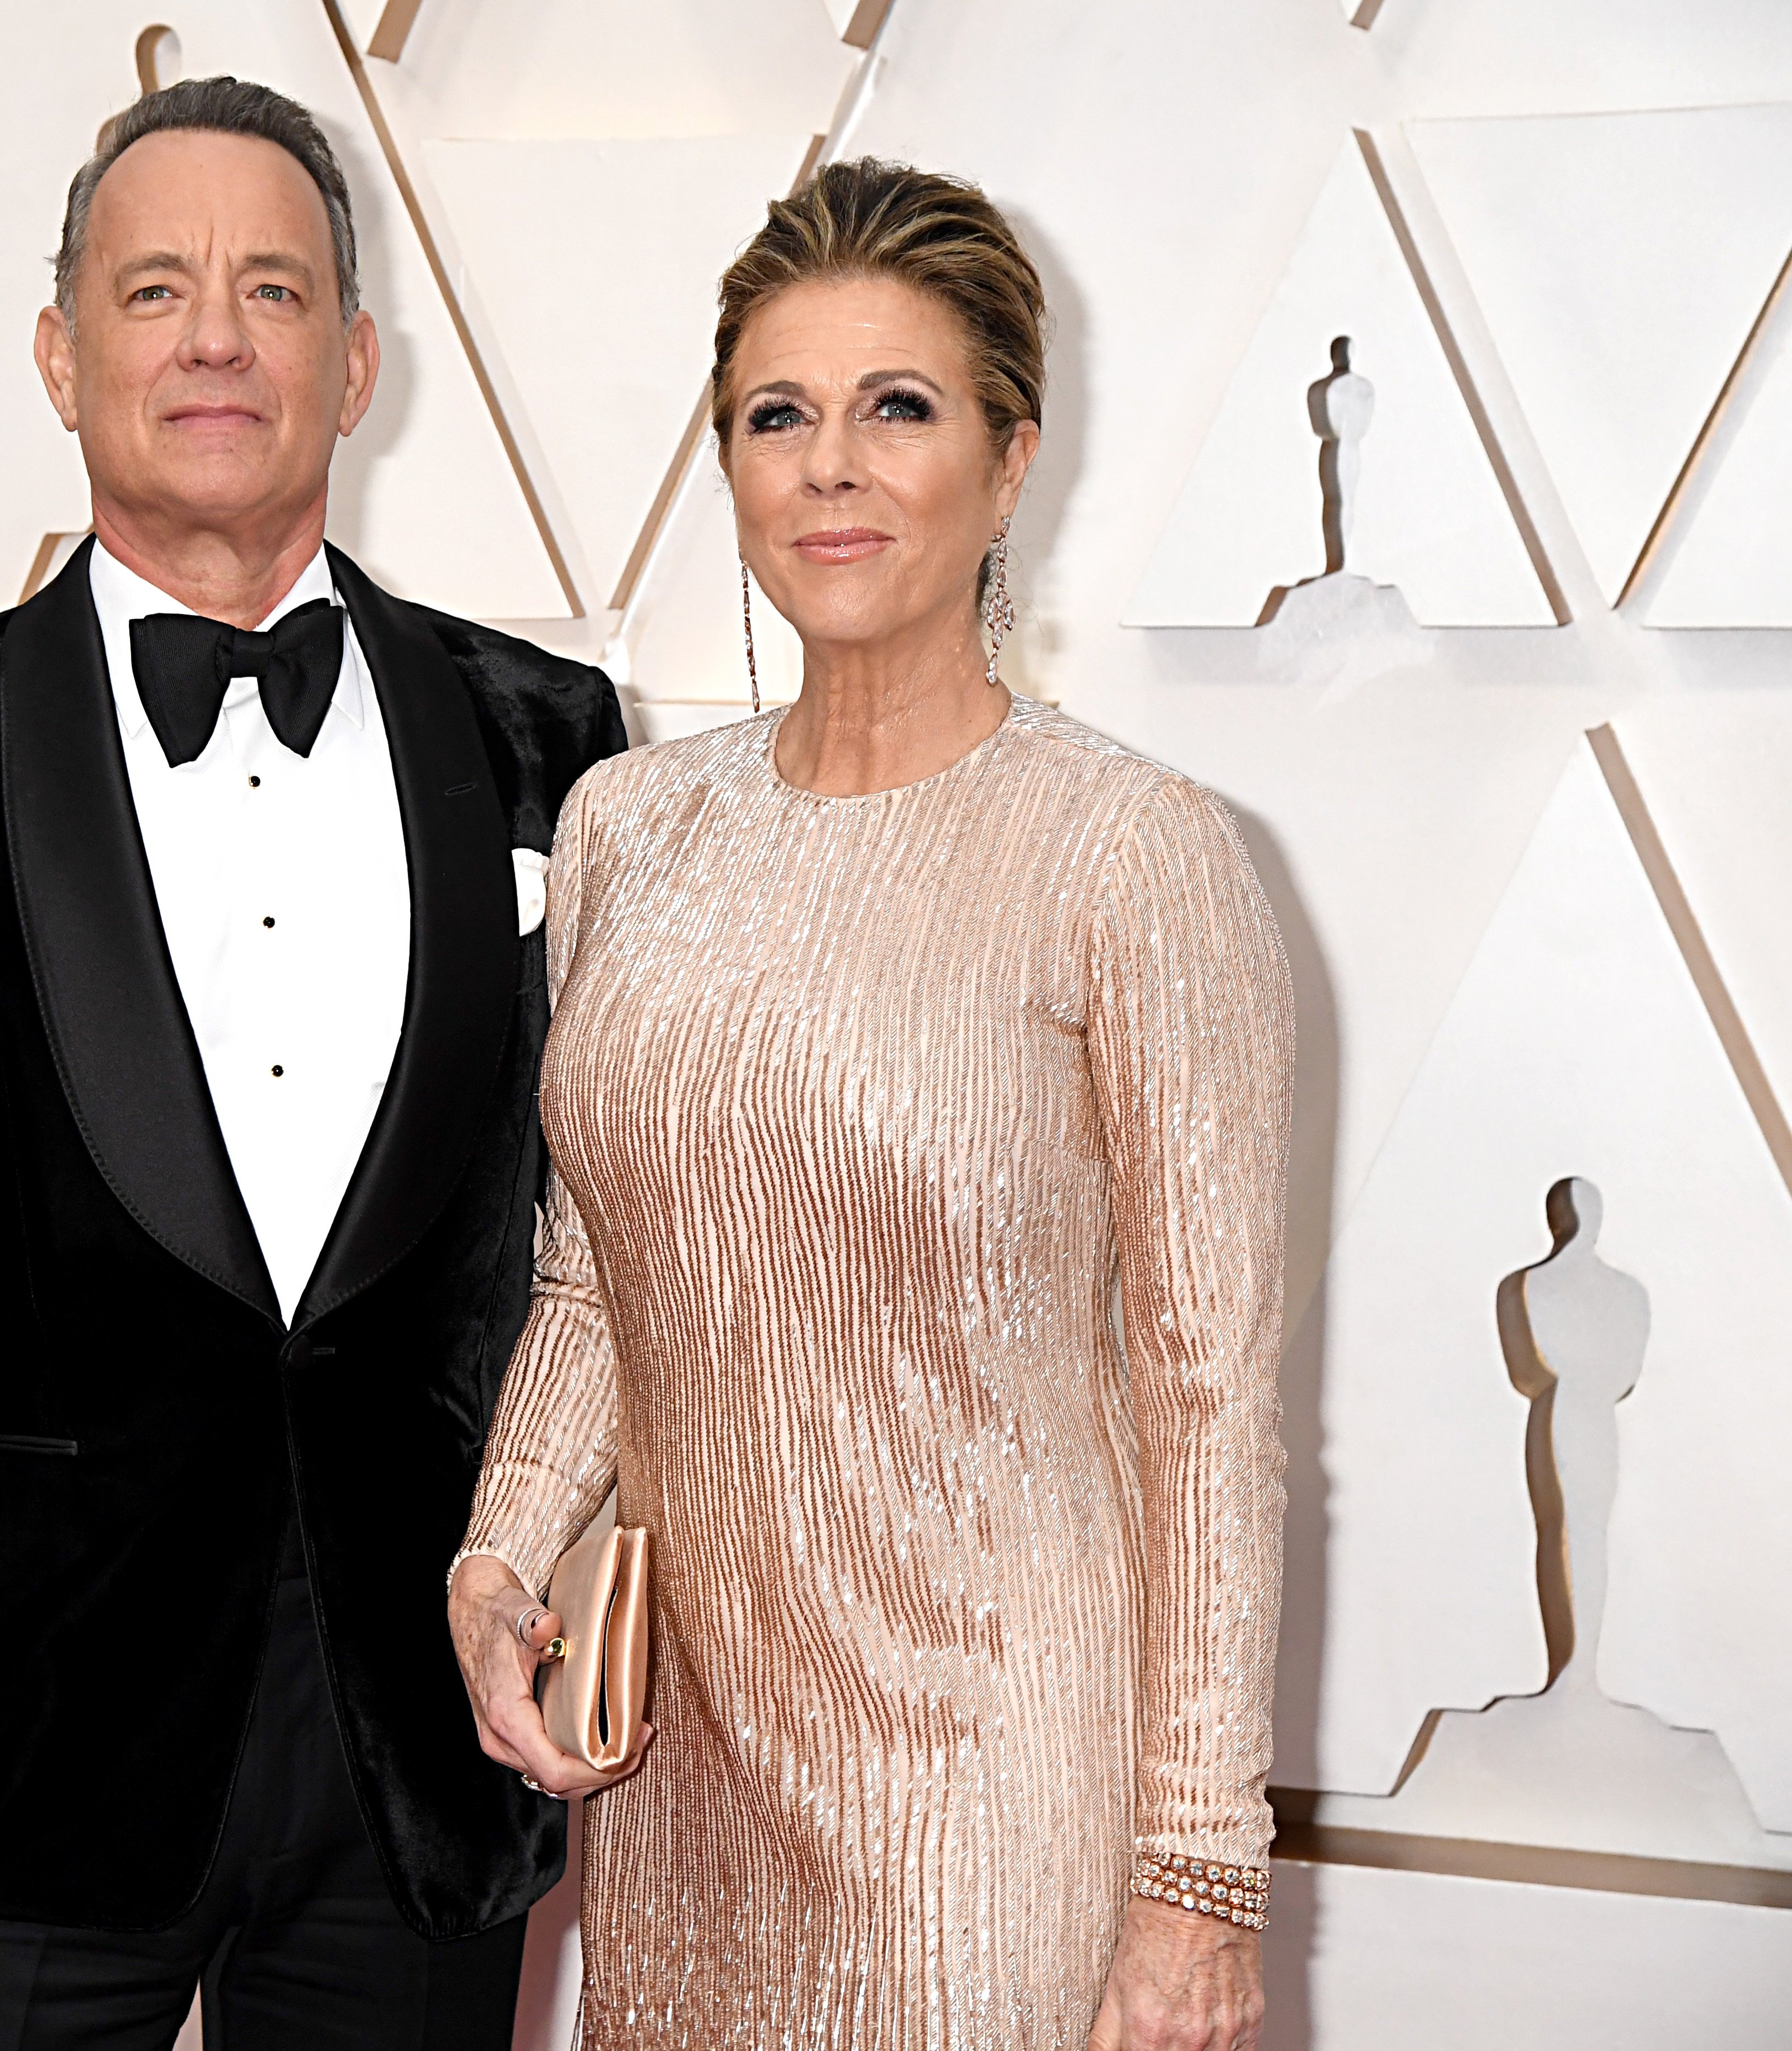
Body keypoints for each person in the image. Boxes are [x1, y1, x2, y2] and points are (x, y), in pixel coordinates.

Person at [0, 76, 624, 2051]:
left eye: (273, 290)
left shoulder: (550, 730)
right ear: (60, 355)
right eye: (154, 291)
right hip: (12, 1770)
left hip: (428, 1753)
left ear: (355, 362)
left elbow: (610, 1242)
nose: (216, 335)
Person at [449, 159, 1292, 2051]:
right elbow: (595, 1275)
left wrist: (1193, 1880)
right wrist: (500, 1553)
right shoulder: (629, 830)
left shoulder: (1135, 858)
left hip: (992, 1795)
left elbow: (1207, 1392)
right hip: (682, 1783)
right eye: (777, 415)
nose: (828, 465)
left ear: (1008, 464)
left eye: (894, 407)